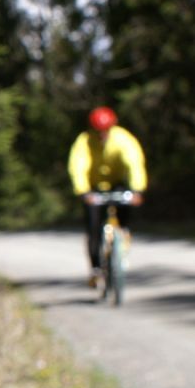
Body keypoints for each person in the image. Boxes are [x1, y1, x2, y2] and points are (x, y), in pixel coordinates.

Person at [67, 106, 147, 287]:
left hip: (117, 183)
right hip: (93, 188)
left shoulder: (123, 139)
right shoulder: (84, 141)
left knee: (125, 214)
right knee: (93, 227)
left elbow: (134, 163)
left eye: (106, 130)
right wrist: (83, 191)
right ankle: (95, 267)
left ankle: (121, 243)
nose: (103, 134)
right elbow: (78, 166)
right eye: (99, 130)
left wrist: (137, 190)